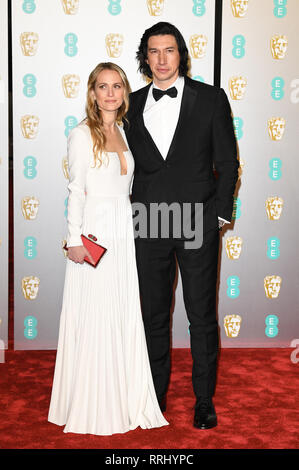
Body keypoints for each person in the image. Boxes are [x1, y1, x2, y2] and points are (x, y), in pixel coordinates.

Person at [124, 22, 239, 429]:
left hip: (197, 221)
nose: (160, 59)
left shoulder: (210, 99)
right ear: (145, 57)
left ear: (181, 54)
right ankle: (155, 396)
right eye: (153, 51)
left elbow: (226, 163)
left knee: (201, 316)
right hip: (147, 223)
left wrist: (219, 215)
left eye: (168, 50)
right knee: (153, 316)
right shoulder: (130, 105)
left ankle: (203, 400)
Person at [48, 62, 168, 435]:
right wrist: (73, 240)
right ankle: (94, 402)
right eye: (103, 86)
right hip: (94, 236)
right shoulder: (82, 134)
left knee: (120, 311)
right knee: (96, 314)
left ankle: (123, 396)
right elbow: (76, 189)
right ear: (93, 92)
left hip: (122, 231)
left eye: (117, 86)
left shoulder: (123, 131)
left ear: (124, 91)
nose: (111, 93)